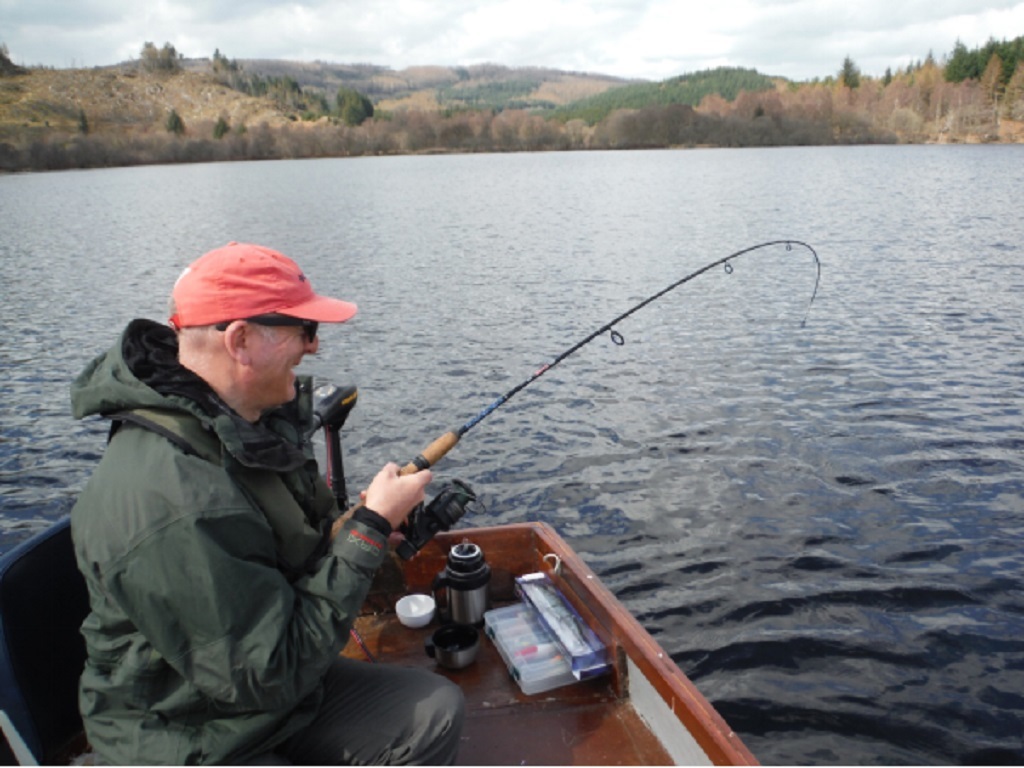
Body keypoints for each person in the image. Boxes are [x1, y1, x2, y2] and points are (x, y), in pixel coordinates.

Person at [70, 242, 465, 765]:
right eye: (304, 331)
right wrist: (369, 529)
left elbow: (278, 563)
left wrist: (359, 527)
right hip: (192, 733)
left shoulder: (234, 424)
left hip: (241, 697)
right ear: (240, 340)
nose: (315, 347)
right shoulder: (177, 500)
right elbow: (270, 671)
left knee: (434, 708)